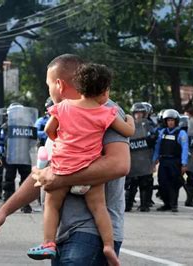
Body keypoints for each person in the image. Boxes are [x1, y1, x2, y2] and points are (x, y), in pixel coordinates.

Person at [0, 54, 130, 265]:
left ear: (59, 84)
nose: (49, 91)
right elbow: (46, 173)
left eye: (48, 84)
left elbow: (119, 164)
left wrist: (60, 180)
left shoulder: (105, 111)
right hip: (63, 234)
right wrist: (4, 211)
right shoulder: (62, 115)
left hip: (90, 233)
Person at [27, 63, 134, 265]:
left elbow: (49, 131)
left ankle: (48, 243)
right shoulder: (107, 113)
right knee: (99, 207)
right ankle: (109, 246)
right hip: (88, 171)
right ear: (104, 92)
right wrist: (130, 120)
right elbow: (128, 132)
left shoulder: (62, 108)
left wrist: (62, 141)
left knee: (51, 203)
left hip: (62, 169)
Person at [0, 102, 38, 213]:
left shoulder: (29, 126)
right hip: (10, 157)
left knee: (26, 183)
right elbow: (0, 143)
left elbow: (33, 143)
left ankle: (25, 204)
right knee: (8, 182)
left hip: (24, 157)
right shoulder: (5, 127)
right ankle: (7, 204)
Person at [152, 109, 189, 212]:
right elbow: (157, 146)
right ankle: (166, 204)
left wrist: (184, 163)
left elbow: (185, 149)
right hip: (163, 161)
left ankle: (173, 205)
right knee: (163, 183)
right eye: (168, 120)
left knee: (174, 184)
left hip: (175, 162)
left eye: (172, 120)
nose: (170, 122)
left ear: (176, 121)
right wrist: (154, 160)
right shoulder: (162, 132)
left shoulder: (181, 133)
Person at [125, 102, 154, 212]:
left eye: (141, 113)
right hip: (132, 159)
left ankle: (144, 205)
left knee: (145, 183)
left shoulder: (149, 125)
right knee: (130, 184)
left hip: (144, 158)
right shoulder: (129, 124)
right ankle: (128, 205)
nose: (138, 115)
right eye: (136, 113)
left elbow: (154, 137)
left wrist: (152, 138)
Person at [179, 115, 193, 207]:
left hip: (190, 161)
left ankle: (189, 200)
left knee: (192, 177)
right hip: (179, 160)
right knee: (176, 179)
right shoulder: (177, 133)